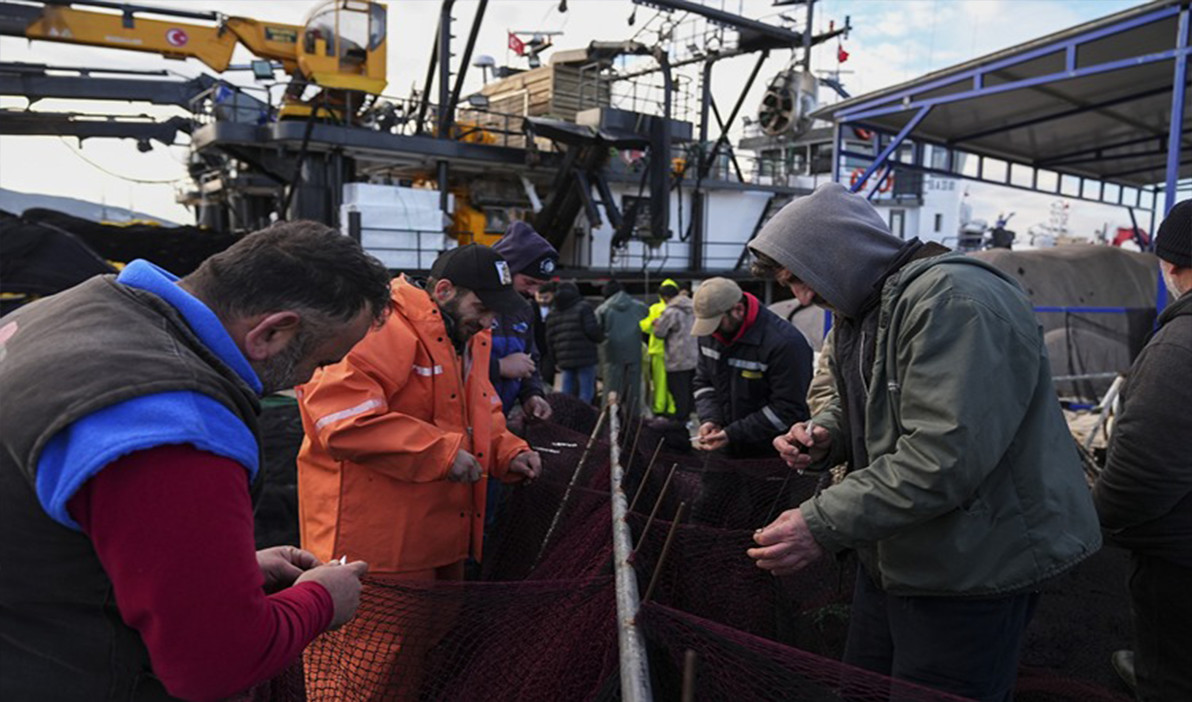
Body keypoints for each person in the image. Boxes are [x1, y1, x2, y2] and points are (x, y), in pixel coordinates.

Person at [0, 221, 389, 701]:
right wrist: (322, 600)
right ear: (272, 332)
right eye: (323, 360)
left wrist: (215, 569)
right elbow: (217, 663)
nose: (311, 378)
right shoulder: (176, 426)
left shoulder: (68, 311)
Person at [745, 183, 1102, 702]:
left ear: (836, 254)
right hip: (898, 553)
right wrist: (826, 433)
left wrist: (820, 523)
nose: (800, 297)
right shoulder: (862, 312)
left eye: (799, 278)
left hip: (970, 567)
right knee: (865, 690)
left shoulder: (955, 302)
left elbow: (944, 455)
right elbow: (865, 400)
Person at [297, 244, 542, 581]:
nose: (488, 321)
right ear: (444, 291)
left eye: (495, 312)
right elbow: (342, 423)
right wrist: (442, 453)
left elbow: (482, 409)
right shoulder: (380, 327)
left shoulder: (467, 338)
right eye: (482, 307)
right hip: (374, 555)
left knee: (439, 617)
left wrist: (509, 452)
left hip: (441, 541)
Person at [1093, 199, 1192, 701]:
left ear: (1171, 265)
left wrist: (1097, 520)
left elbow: (1141, 472)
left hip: (1178, 557)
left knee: (1171, 672)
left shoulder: (1179, 346)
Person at [691, 277, 813, 456]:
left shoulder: (785, 344)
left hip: (773, 453)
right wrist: (710, 419)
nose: (712, 331)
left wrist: (733, 433)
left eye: (716, 322)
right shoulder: (710, 334)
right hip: (724, 447)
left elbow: (788, 409)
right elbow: (704, 382)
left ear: (738, 310)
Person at [490, 221, 557, 422]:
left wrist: (532, 394)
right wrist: (499, 367)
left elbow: (530, 359)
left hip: (498, 419)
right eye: (529, 282)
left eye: (540, 286)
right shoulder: (472, 304)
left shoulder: (524, 310)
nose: (533, 292)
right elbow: (449, 364)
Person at [546, 281, 603, 404]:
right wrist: (600, 338)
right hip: (585, 356)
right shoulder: (583, 307)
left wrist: (555, 360)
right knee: (586, 392)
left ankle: (567, 413)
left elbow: (549, 339)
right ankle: (584, 414)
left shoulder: (552, 313)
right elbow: (591, 330)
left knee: (566, 391)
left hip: (564, 358)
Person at [596, 279, 648, 411]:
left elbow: (596, 331)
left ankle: (609, 416)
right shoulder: (640, 306)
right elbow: (647, 319)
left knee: (611, 388)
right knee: (633, 389)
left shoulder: (603, 309)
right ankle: (633, 417)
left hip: (611, 353)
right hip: (634, 352)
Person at [652, 279, 699, 424]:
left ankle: (681, 420)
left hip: (677, 359)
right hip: (694, 357)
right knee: (690, 390)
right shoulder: (693, 308)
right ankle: (689, 418)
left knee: (678, 391)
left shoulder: (671, 311)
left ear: (665, 297)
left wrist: (656, 324)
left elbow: (660, 333)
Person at [640, 279, 677, 416]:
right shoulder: (679, 308)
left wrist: (653, 325)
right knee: (674, 382)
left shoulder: (655, 308)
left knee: (659, 382)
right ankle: (673, 408)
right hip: (675, 351)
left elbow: (643, 326)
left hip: (658, 349)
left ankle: (659, 408)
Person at [535, 281, 558, 388]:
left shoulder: (556, 308)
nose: (542, 300)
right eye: (540, 297)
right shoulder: (531, 308)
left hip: (550, 348)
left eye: (546, 297)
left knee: (547, 373)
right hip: (537, 344)